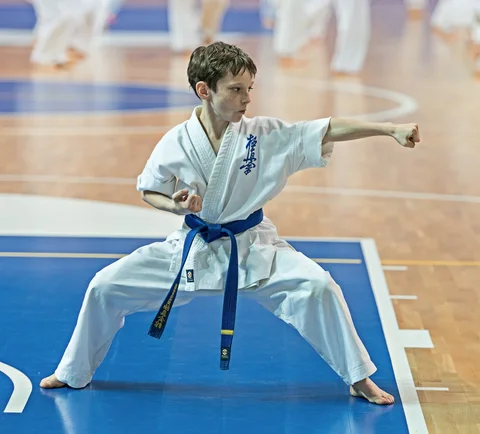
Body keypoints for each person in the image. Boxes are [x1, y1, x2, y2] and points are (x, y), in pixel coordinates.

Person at [40, 41, 420, 405]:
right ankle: (74, 371)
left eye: (249, 88)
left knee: (319, 287)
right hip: (193, 247)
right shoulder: (177, 141)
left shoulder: (264, 134)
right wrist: (175, 207)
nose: (247, 98)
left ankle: (358, 378)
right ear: (204, 90)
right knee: (104, 286)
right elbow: (148, 189)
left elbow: (327, 128)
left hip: (253, 248)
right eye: (236, 89)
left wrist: (388, 129)